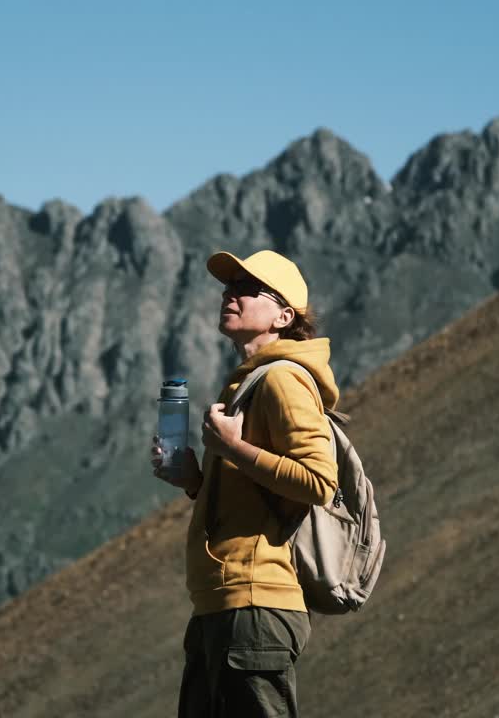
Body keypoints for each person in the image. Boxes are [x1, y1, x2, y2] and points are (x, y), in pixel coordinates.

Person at [151, 249, 340, 718]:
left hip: (255, 606)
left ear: (283, 315)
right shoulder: (244, 384)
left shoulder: (283, 381)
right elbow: (251, 497)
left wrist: (234, 449)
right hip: (221, 604)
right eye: (228, 287)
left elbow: (319, 481)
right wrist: (195, 481)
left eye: (246, 288)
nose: (228, 295)